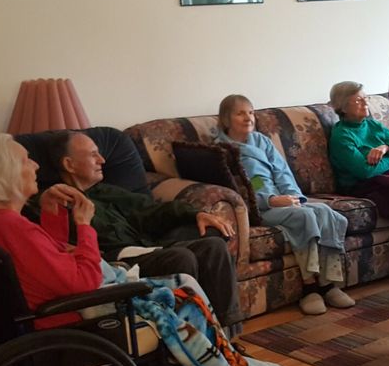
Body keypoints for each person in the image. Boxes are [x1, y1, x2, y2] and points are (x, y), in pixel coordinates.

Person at [0, 134, 300, 366]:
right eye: (27, 160)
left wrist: (50, 213)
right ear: (4, 172)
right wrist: (85, 227)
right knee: (184, 291)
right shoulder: (12, 227)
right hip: (76, 328)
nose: (36, 166)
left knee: (185, 277)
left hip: (35, 326)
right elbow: (82, 279)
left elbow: (50, 261)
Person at [29, 130, 243, 333]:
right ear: (69, 164)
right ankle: (191, 340)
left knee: (213, 243)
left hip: (146, 247)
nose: (102, 160)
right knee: (181, 257)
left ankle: (225, 335)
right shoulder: (52, 202)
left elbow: (149, 210)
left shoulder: (105, 191)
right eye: (93, 155)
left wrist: (195, 214)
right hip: (116, 262)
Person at [214, 95, 354, 316]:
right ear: (225, 119)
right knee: (305, 217)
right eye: (240, 113)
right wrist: (270, 200)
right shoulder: (221, 151)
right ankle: (309, 289)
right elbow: (236, 189)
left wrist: (294, 197)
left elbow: (282, 172)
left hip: (283, 201)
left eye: (250, 112)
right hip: (259, 208)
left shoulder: (262, 141)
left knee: (325, 211)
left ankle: (328, 284)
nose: (248, 117)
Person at [327, 81, 389, 304]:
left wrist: (384, 149)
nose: (365, 102)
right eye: (358, 100)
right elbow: (363, 170)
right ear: (343, 107)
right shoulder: (341, 137)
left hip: (388, 174)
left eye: (365, 98)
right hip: (361, 184)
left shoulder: (372, 124)